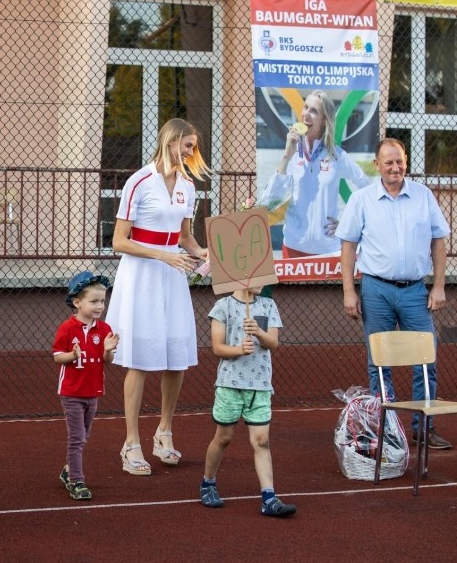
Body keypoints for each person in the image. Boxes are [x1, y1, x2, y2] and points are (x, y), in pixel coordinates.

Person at [105, 118, 211, 476]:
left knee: (176, 357)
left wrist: (206, 255)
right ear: (170, 140)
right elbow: (119, 241)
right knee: (137, 359)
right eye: (187, 145)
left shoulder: (187, 185)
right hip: (141, 276)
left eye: (194, 147)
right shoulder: (139, 181)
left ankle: (164, 433)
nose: (191, 152)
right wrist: (163, 255)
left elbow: (186, 239)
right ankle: (130, 443)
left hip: (174, 276)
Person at [335, 137, 452, 450]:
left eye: (399, 161)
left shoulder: (423, 196)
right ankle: (387, 431)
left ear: (405, 161)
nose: (395, 167)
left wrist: (438, 285)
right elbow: (347, 245)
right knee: (379, 363)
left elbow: (439, 241)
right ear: (377, 165)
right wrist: (349, 291)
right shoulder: (362, 200)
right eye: (388, 162)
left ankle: (423, 429)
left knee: (425, 359)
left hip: (415, 290)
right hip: (375, 290)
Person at [199, 285, 296, 517]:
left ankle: (269, 497)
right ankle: (208, 482)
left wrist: (259, 333)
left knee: (261, 440)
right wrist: (239, 349)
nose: (263, 282)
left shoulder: (268, 305)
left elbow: (273, 343)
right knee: (223, 438)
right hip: (230, 384)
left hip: (260, 385)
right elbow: (217, 347)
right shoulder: (223, 306)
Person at [259, 90, 371, 257]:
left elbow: (366, 187)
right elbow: (268, 202)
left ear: (325, 120)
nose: (306, 114)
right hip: (293, 246)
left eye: (314, 111)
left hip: (328, 250)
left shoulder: (336, 155)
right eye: (305, 107)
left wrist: (348, 224)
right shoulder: (292, 153)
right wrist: (286, 156)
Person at [53, 271, 119, 500]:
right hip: (72, 392)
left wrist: (108, 350)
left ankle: (68, 470)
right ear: (77, 302)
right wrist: (72, 355)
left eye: (102, 301)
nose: (100, 306)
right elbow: (57, 357)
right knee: (76, 438)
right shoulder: (66, 328)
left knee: (84, 436)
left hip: (93, 391)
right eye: (94, 301)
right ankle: (77, 481)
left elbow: (107, 361)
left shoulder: (104, 329)